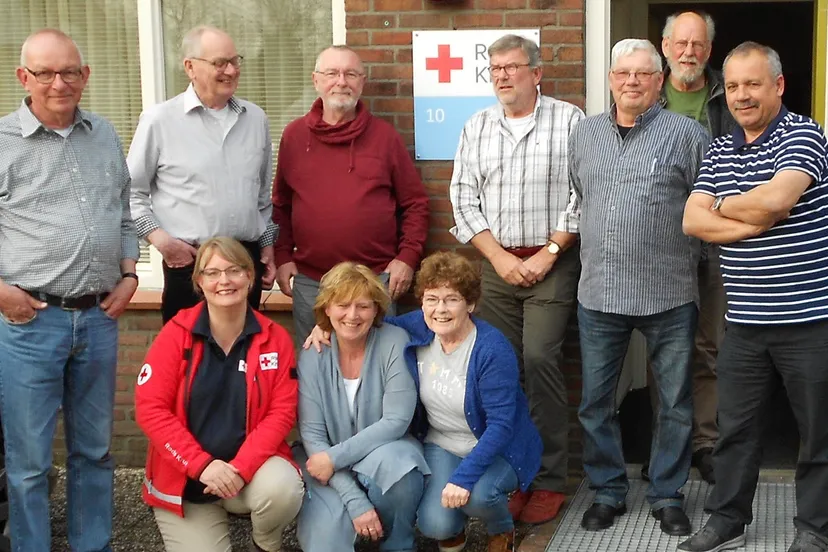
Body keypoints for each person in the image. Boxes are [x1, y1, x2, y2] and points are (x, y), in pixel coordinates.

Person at [679, 42, 828, 552]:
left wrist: (727, 206)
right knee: (734, 430)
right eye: (735, 85)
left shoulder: (804, 134)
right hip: (743, 321)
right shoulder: (720, 148)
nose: (741, 96)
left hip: (809, 320)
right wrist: (749, 213)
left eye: (753, 84)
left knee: (818, 432)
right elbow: (692, 220)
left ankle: (814, 530)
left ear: (778, 86)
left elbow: (779, 198)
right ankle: (727, 520)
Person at [0, 29, 140, 552]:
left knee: (95, 451)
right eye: (46, 73)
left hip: (99, 318)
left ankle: (91, 545)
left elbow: (124, 213)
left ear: (85, 76)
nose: (60, 83)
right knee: (30, 461)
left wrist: (129, 276)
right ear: (24, 78)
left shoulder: (103, 133)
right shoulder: (2, 142)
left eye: (71, 72)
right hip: (29, 321)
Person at [564, 38, 709, 536]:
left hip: (670, 293)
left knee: (674, 402)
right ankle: (607, 491)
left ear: (659, 80)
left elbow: (706, 206)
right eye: (623, 73)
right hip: (600, 293)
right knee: (596, 403)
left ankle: (668, 494)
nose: (632, 82)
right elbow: (581, 196)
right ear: (610, 79)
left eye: (643, 74)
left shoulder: (687, 134)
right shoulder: (584, 135)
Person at [306, 252, 543, 552]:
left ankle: (500, 529)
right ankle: (453, 532)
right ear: (422, 302)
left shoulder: (491, 350)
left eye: (451, 299)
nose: (440, 310)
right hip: (441, 444)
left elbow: (501, 425)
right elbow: (366, 323)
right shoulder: (417, 327)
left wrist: (464, 478)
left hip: (495, 446)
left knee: (480, 495)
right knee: (433, 524)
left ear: (470, 304)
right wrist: (326, 326)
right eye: (431, 299)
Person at [448, 33, 584, 524]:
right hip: (497, 265)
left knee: (539, 357)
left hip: (554, 263)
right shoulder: (476, 127)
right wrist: (499, 258)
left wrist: (549, 253)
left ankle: (550, 479)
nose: (502, 76)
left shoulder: (570, 120)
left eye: (511, 67)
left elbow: (583, 194)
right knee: (499, 371)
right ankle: (512, 474)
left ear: (537, 72)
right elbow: (463, 199)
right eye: (495, 68)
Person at [135, 237, 303, 552]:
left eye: (234, 270)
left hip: (248, 475)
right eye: (212, 273)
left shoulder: (275, 338)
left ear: (251, 277)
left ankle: (265, 543)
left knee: (284, 488)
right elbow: (151, 410)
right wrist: (202, 465)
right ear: (199, 282)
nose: (223, 280)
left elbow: (282, 413)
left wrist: (240, 468)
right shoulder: (176, 334)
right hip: (189, 479)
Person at [272, 45, 429, 345]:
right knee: (316, 366)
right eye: (332, 73)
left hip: (375, 279)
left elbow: (415, 204)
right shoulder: (294, 137)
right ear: (316, 80)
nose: (341, 81)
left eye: (351, 74)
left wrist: (407, 258)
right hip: (311, 281)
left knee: (378, 368)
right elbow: (281, 205)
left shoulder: (385, 138)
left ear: (362, 82)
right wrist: (281, 256)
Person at [128, 25, 277, 323]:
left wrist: (268, 246)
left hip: (245, 262)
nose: (232, 70)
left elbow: (261, 197)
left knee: (244, 357)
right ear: (190, 67)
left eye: (236, 61)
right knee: (188, 359)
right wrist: (162, 242)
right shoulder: (160, 121)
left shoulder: (256, 119)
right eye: (220, 63)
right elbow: (129, 193)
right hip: (191, 264)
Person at [294, 262, 428, 552]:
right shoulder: (312, 355)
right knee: (324, 546)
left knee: (402, 469)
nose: (352, 316)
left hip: (383, 453)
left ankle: (398, 543)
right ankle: (358, 523)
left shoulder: (394, 341)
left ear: (377, 310)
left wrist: (333, 457)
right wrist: (354, 499)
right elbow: (313, 436)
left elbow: (396, 420)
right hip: (327, 467)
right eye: (342, 305)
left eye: (363, 306)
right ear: (326, 309)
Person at [657, 10, 736, 484]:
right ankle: (667, 447)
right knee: (666, 350)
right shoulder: (645, 93)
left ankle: (705, 444)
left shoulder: (729, 95)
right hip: (661, 246)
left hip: (719, 242)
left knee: (710, 346)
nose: (690, 52)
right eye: (681, 43)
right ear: (665, 47)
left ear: (710, 50)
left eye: (699, 45)